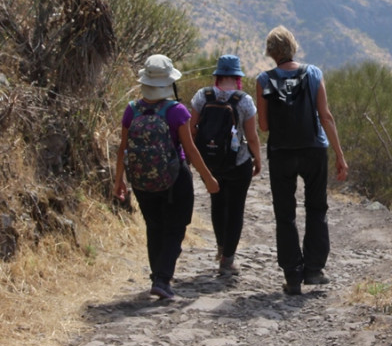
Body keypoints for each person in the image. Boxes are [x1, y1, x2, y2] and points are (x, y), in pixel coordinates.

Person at [114, 54, 220, 300]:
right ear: (168, 82)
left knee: (154, 226)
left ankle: (157, 276)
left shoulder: (131, 110)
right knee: (175, 227)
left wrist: (119, 180)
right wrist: (209, 179)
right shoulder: (176, 111)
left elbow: (123, 148)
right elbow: (190, 150)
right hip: (174, 179)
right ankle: (163, 278)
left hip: (140, 179)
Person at [256, 26, 348, 295]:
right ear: (293, 46)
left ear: (271, 53)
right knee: (316, 208)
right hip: (314, 150)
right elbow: (326, 117)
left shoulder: (264, 80)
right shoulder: (314, 73)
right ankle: (314, 270)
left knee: (285, 215)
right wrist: (340, 156)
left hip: (281, 152)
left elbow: (263, 125)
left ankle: (292, 276)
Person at [189, 54, 262, 275]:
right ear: (237, 76)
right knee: (236, 208)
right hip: (238, 163)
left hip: (210, 163)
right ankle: (228, 260)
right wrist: (257, 159)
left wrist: (199, 155)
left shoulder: (202, 96)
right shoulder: (245, 100)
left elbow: (192, 129)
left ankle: (221, 247)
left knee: (217, 203)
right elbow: (252, 136)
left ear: (218, 75)